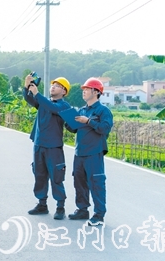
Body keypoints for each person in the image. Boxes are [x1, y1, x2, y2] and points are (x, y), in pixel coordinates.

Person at [23, 74, 71, 220]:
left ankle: (60, 207)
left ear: (64, 91)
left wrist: (37, 94)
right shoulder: (44, 103)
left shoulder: (63, 106)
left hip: (53, 147)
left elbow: (52, 107)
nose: (53, 87)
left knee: (56, 177)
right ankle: (42, 204)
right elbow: (30, 99)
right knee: (39, 175)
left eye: (57, 86)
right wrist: (27, 87)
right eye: (52, 85)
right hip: (39, 145)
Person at [66, 77, 113, 225]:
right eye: (84, 89)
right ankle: (82, 210)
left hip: (94, 153)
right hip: (79, 153)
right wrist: (66, 119)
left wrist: (88, 121)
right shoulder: (82, 110)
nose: (84, 92)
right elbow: (73, 128)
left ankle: (99, 215)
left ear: (96, 91)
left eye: (86, 89)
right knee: (79, 182)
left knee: (96, 183)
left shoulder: (103, 111)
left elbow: (105, 129)